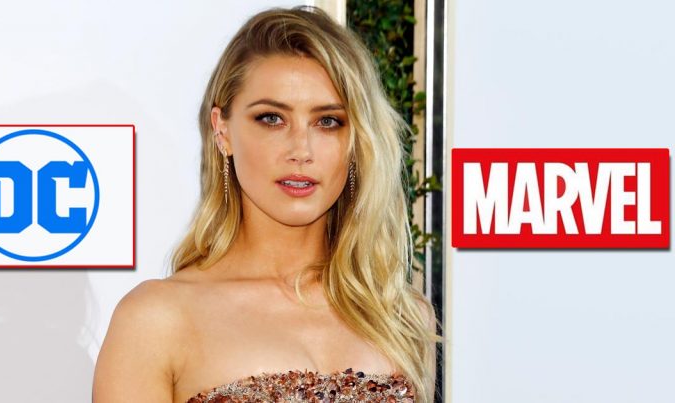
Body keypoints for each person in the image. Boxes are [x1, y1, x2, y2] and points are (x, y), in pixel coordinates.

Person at [93, 5, 441, 403]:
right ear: (222, 130)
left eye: (328, 121)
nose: (301, 150)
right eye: (272, 118)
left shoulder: (402, 317)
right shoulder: (156, 320)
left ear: (356, 142)